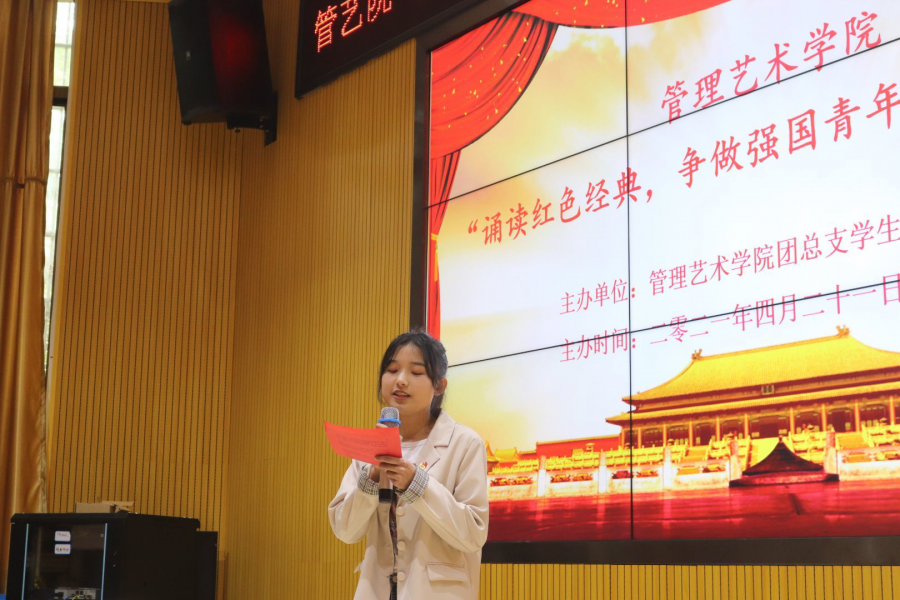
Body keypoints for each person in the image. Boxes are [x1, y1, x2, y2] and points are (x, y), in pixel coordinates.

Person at [329, 331, 488, 599]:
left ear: (439, 386)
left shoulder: (465, 443)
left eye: (416, 372)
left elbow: (473, 534)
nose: (400, 380)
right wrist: (371, 478)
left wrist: (417, 484)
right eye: (392, 370)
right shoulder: (370, 449)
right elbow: (346, 531)